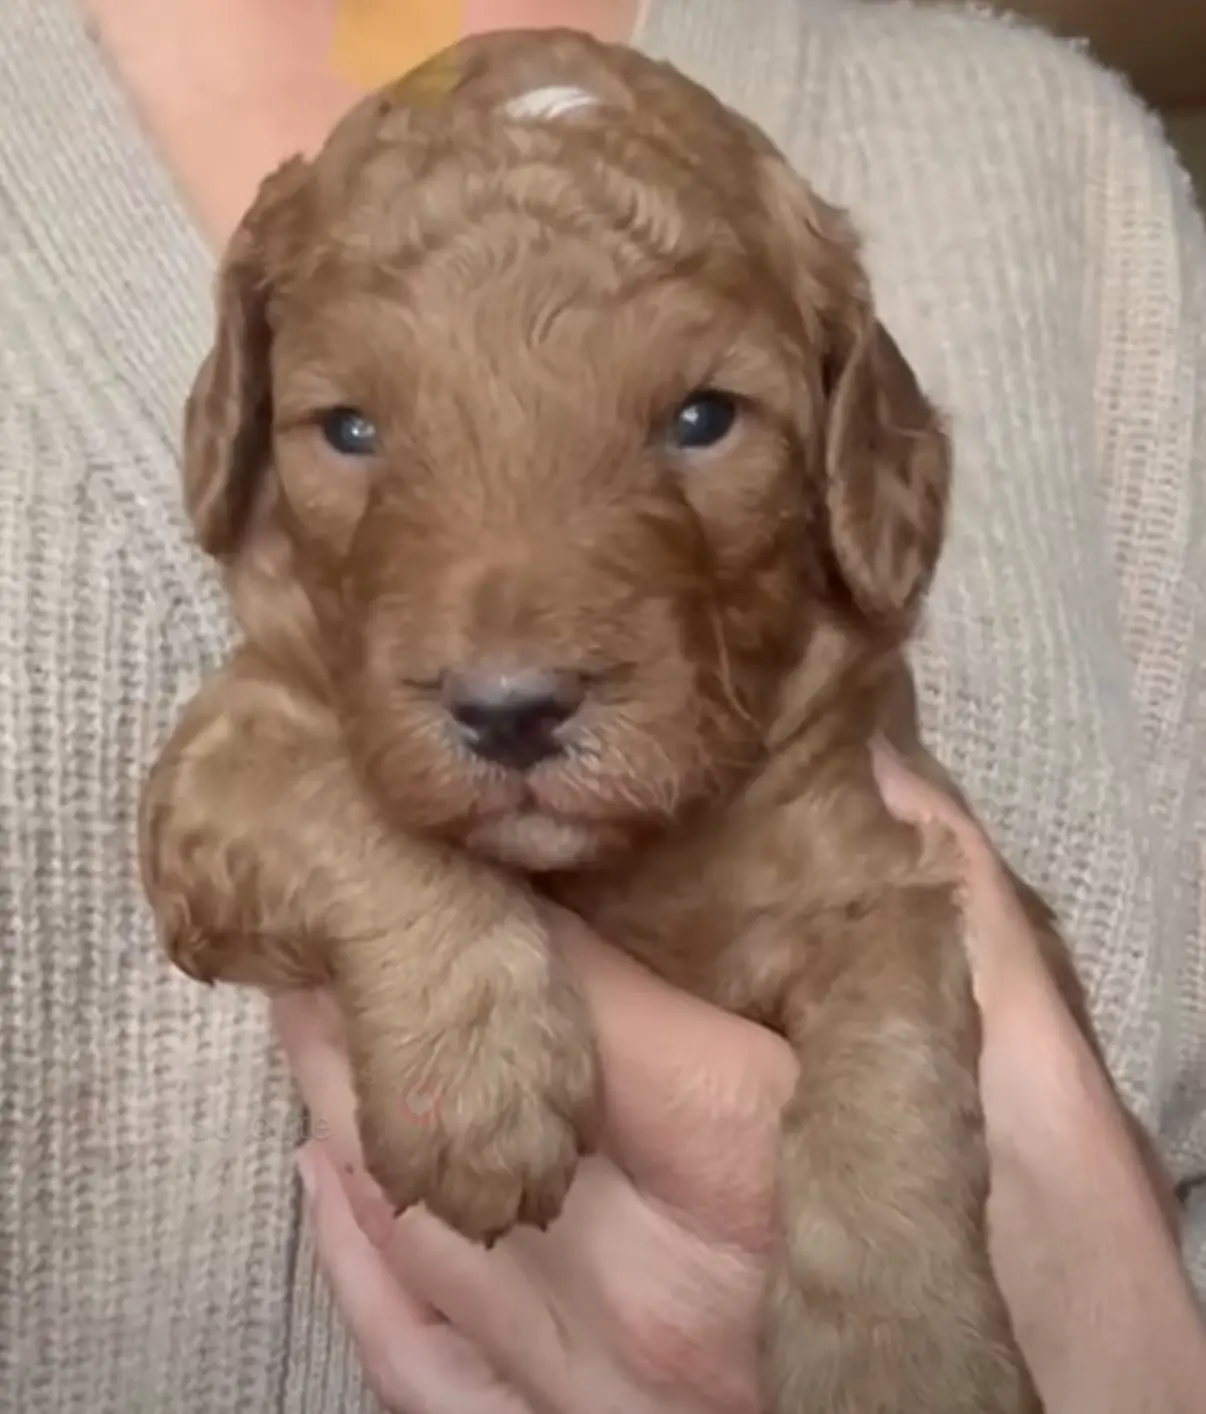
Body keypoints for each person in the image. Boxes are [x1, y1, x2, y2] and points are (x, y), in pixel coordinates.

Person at [1, 1, 1203, 1411]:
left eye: (699, 421)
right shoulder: (290, 647)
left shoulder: (1059, 174)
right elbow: (233, 794)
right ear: (242, 418)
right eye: (352, 430)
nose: (507, 668)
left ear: (850, 441)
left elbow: (866, 923)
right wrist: (420, 922)